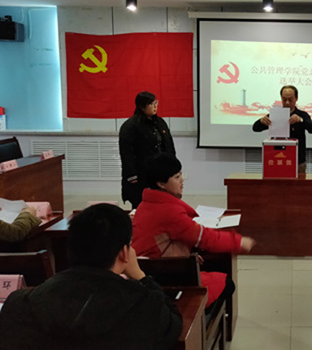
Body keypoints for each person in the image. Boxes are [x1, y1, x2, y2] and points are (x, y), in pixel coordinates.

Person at [0, 204, 182, 350]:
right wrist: (141, 277)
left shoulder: (19, 305)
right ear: (124, 254)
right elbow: (174, 322)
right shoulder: (144, 307)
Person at [132, 152, 256, 309]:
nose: (182, 180)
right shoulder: (169, 211)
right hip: (164, 275)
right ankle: (197, 318)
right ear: (161, 184)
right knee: (227, 284)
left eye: (181, 175)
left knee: (211, 265)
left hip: (152, 269)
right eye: (177, 177)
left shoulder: (146, 204)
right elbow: (205, 238)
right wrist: (238, 241)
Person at [119, 91, 175, 209]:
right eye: (151, 104)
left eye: (156, 103)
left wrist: (173, 166)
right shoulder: (130, 126)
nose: (155, 106)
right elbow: (126, 153)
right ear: (142, 106)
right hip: (141, 174)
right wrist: (131, 175)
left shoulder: (160, 122)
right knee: (142, 205)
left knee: (162, 203)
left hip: (160, 172)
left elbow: (169, 145)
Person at [252, 85, 312, 173]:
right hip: (276, 159)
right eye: (284, 99)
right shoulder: (275, 114)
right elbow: (255, 128)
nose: (287, 102)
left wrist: (301, 120)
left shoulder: (302, 115)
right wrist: (261, 121)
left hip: (298, 160)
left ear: (296, 98)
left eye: (290, 99)